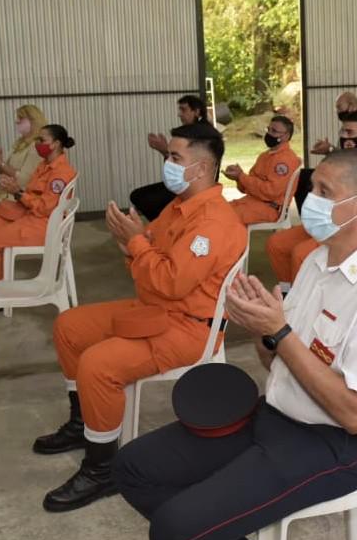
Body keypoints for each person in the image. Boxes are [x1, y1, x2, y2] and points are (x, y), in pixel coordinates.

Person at [112, 147, 357, 540]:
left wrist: (280, 333)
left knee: (175, 530)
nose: (310, 200)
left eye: (325, 192)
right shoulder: (316, 260)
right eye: (312, 187)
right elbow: (276, 359)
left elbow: (355, 414)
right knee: (134, 468)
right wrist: (263, 329)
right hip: (276, 414)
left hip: (334, 445)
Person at [34, 122, 247, 512]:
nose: (167, 163)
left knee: (98, 365)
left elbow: (170, 280)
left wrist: (136, 243)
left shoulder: (214, 222)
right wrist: (132, 240)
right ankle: (86, 424)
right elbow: (150, 249)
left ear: (200, 169)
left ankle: (103, 470)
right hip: (155, 311)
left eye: (174, 157)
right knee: (70, 326)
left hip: (187, 328)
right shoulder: (180, 206)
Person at [266, 110, 357, 294]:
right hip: (329, 221)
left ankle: (305, 299)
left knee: (300, 254)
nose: (342, 136)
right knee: (277, 243)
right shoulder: (351, 158)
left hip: (346, 229)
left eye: (348, 132)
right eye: (342, 131)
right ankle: (290, 293)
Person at [0, 124, 76, 298]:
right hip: (27, 214)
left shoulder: (61, 173)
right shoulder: (44, 165)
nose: (37, 144)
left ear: (56, 144)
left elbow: (45, 208)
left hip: (43, 225)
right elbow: (31, 191)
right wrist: (15, 188)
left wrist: (18, 193)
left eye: (42, 140)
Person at [130, 95, 211, 221]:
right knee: (137, 196)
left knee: (143, 199)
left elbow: (190, 164)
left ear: (197, 111)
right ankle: (163, 225)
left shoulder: (203, 134)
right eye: (180, 110)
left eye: (183, 110)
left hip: (194, 183)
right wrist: (165, 151)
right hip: (186, 180)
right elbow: (179, 163)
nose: (179, 114)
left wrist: (165, 150)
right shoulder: (193, 131)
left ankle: (164, 225)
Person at [224, 115, 301, 225]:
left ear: (286, 136)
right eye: (268, 129)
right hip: (251, 202)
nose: (269, 134)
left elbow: (271, 192)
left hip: (269, 208)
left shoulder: (286, 161)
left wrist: (242, 177)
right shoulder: (264, 156)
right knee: (215, 211)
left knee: (223, 219)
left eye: (274, 131)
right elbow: (247, 188)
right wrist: (237, 177)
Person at [309, 91, 357, 157]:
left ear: (351, 106)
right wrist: (328, 149)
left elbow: (349, 157)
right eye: (336, 108)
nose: (337, 111)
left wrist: (330, 149)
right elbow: (342, 153)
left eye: (339, 107)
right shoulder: (345, 128)